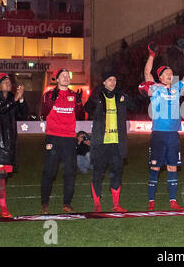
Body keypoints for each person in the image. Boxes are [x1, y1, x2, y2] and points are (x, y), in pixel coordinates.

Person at [143, 39, 184, 211]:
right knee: (155, 167)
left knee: (172, 167)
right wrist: (151, 55)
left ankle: (173, 201)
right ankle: (151, 202)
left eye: (171, 73)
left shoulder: (177, 88)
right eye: (167, 73)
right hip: (158, 134)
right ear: (160, 76)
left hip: (173, 135)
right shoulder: (154, 88)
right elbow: (147, 72)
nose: (170, 75)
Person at [84, 71, 137, 212]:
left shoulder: (120, 96)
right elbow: (87, 108)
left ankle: (116, 204)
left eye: (114, 79)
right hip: (101, 143)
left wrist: (125, 96)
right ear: (104, 82)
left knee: (117, 173)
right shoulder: (98, 96)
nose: (112, 82)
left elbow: (134, 106)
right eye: (109, 80)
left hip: (117, 143)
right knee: (98, 173)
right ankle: (97, 204)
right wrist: (94, 96)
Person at [40, 68, 83, 214]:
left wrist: (78, 104)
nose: (66, 78)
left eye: (67, 76)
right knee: (49, 171)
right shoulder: (49, 95)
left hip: (69, 138)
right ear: (56, 79)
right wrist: (50, 102)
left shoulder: (74, 95)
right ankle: (44, 204)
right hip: (53, 136)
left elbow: (80, 115)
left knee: (70, 171)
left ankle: (67, 204)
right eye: (62, 76)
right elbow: (43, 113)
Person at [0, 73, 28, 217]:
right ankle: (3, 207)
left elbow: (23, 115)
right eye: (6, 81)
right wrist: (14, 100)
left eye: (10, 82)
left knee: (0, 177)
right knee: (1, 176)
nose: (9, 84)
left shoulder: (11, 98)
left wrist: (20, 100)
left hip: (8, 142)